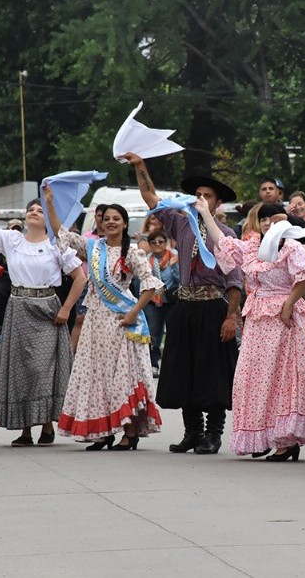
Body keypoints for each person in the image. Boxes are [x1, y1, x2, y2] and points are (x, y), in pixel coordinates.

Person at [123, 152, 243, 455]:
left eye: (208, 196)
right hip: (185, 306)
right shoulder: (181, 224)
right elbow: (152, 199)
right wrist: (141, 166)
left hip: (214, 308)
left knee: (213, 373)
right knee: (185, 369)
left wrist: (232, 317)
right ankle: (193, 432)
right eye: (198, 195)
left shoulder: (226, 235)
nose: (201, 199)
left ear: (217, 204)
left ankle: (213, 434)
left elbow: (235, 281)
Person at [197, 200, 305, 459]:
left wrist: (290, 304)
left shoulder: (292, 246)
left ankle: (286, 439)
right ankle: (264, 435)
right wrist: (205, 214)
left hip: (284, 319)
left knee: (284, 378)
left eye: (276, 218)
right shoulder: (253, 247)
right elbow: (223, 243)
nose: (270, 223)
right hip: (258, 319)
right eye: (265, 219)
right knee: (255, 377)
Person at [0, 191, 85, 447]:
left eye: (40, 210)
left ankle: (47, 424)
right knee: (21, 370)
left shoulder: (57, 244)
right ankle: (26, 429)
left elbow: (80, 279)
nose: (34, 213)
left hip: (47, 309)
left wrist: (66, 309)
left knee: (43, 370)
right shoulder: (12, 240)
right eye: (31, 209)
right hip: (19, 307)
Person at [43, 192, 163, 450]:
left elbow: (150, 284)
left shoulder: (132, 252)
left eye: (116, 218)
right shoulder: (93, 248)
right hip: (96, 320)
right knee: (97, 375)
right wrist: (50, 204)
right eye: (106, 218)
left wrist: (133, 313)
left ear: (124, 223)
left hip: (121, 321)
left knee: (122, 376)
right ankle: (104, 430)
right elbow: (61, 233)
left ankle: (129, 432)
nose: (110, 222)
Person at [141, 229, 179, 373]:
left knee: (173, 332)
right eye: (154, 242)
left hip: (171, 301)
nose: (157, 244)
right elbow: (142, 282)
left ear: (166, 242)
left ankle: (171, 363)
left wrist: (174, 266)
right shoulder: (146, 260)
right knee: (153, 332)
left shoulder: (174, 256)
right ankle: (153, 363)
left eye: (161, 241)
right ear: (149, 244)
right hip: (152, 302)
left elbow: (181, 280)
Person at [72, 204, 109, 352]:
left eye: (106, 217)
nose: (102, 220)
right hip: (87, 283)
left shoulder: (112, 238)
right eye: (100, 216)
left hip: (106, 286)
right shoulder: (87, 236)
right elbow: (78, 254)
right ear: (95, 217)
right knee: (80, 318)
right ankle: (71, 355)